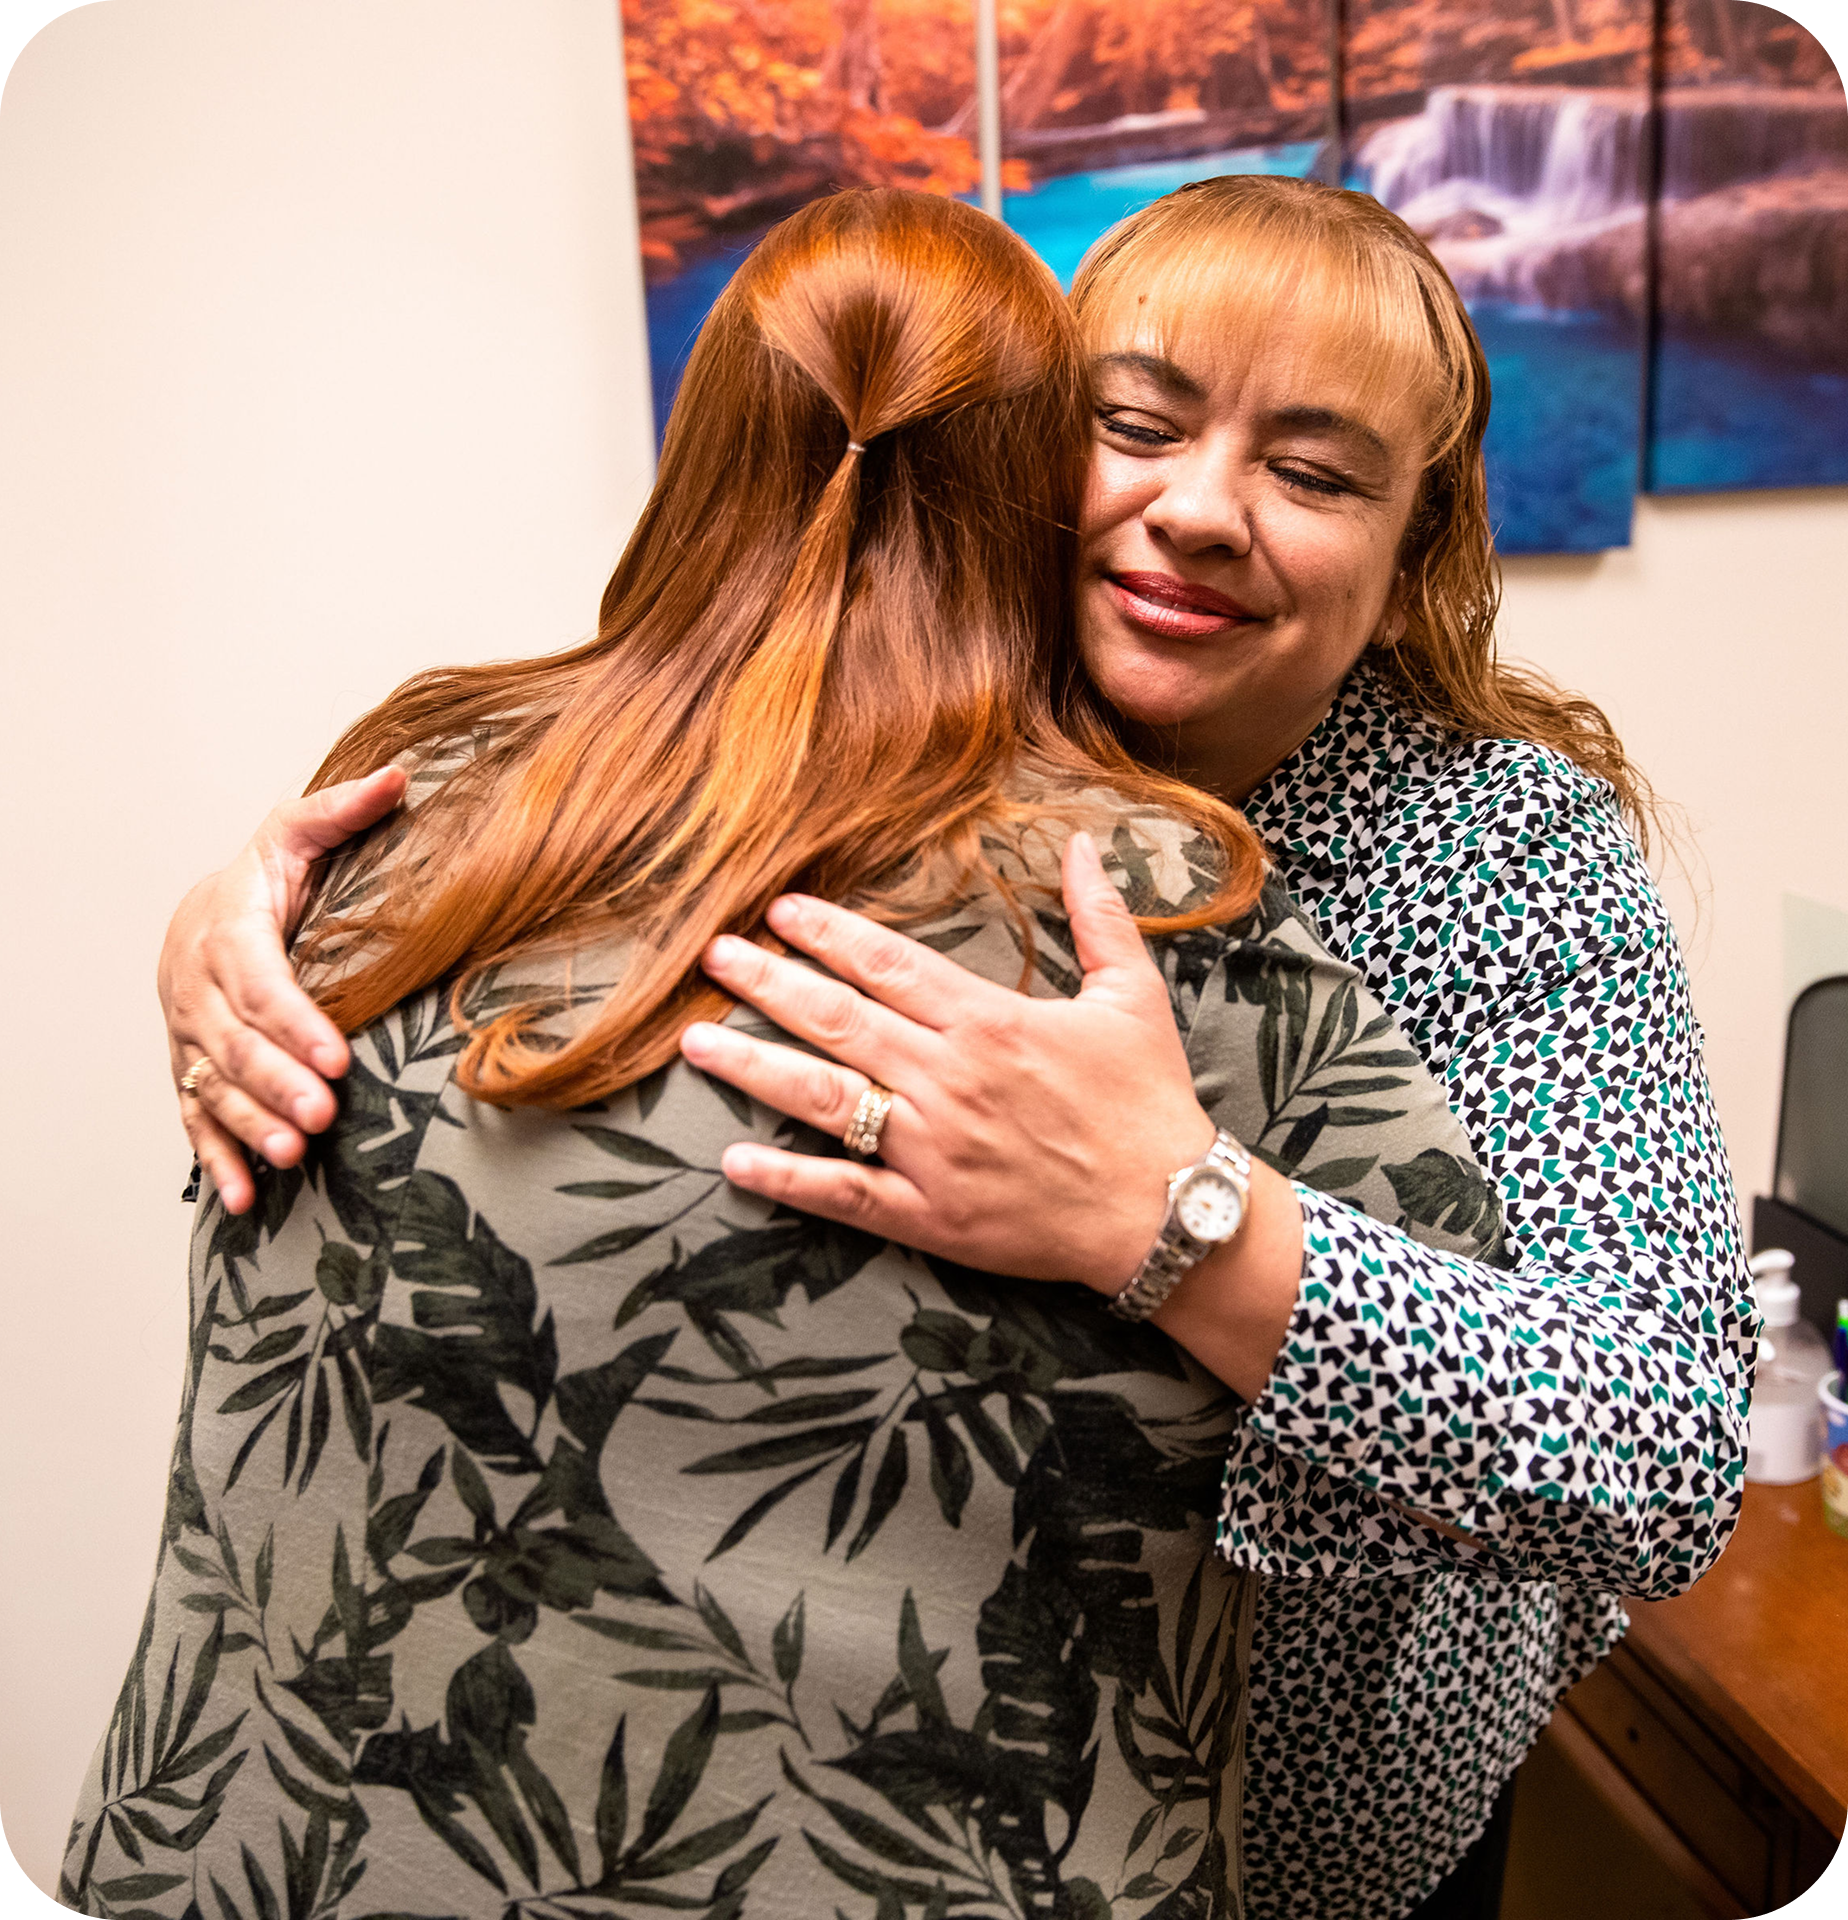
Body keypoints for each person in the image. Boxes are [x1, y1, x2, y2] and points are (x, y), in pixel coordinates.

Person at [151, 179, 1754, 1919]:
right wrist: (265, 917)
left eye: (1311, 471)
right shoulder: (889, 744)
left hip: (1321, 1819)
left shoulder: (1495, 857)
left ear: (1410, 549)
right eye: (1133, 427)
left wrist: (1178, 1208)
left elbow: (1653, 1453)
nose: (1199, 512)